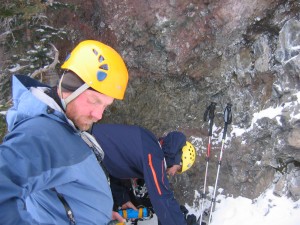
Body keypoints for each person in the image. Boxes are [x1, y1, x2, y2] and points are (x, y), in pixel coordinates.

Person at [0, 40, 128, 224]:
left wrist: (101, 214)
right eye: (94, 101)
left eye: (105, 106)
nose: (98, 115)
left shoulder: (65, 124)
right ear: (70, 88)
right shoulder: (42, 133)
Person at [91, 123, 197, 225]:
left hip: (92, 146)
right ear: (177, 159)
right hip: (90, 152)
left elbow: (116, 167)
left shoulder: (150, 144)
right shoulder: (154, 157)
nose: (173, 173)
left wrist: (123, 199)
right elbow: (162, 198)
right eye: (178, 169)